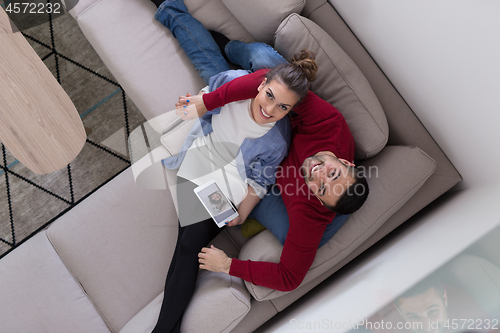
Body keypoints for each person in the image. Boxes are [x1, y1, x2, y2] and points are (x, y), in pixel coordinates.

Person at [151, 0, 369, 331]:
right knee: (254, 66)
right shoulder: (331, 126)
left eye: (321, 188)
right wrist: (206, 102)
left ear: (319, 201)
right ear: (343, 161)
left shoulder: (310, 216)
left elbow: (289, 277)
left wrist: (229, 264)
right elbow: (269, 82)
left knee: (191, 238)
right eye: (333, 172)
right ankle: (226, 43)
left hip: (265, 157)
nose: (319, 173)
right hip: (275, 113)